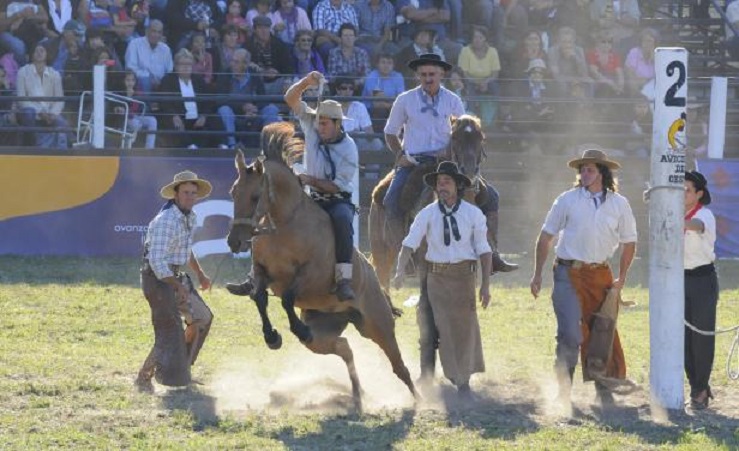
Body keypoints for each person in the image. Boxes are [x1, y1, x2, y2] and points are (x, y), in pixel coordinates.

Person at [530, 147, 637, 409]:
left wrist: (621, 278)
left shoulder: (619, 204)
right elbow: (546, 236)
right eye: (583, 169)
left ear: (602, 172)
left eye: (590, 169)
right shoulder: (566, 199)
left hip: (600, 274)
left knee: (602, 331)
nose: (585, 173)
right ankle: (563, 392)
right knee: (570, 333)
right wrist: (537, 274)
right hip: (567, 271)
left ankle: (603, 388)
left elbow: (630, 242)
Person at [392, 161, 492, 400]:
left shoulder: (473, 213)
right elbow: (410, 242)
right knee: (443, 328)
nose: (442, 186)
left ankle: (464, 380)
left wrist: (486, 285)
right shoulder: (427, 213)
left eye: (447, 181)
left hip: (464, 277)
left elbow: (484, 250)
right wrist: (399, 270)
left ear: (457, 185)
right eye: (439, 183)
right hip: (436, 277)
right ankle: (447, 376)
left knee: (464, 329)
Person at [283, 71, 359, 301]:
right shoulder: (311, 124)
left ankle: (343, 277)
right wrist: (306, 82)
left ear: (337, 124)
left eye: (324, 123)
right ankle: (263, 270)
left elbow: (337, 187)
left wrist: (311, 180)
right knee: (280, 212)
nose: (319, 127)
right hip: (311, 197)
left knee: (343, 221)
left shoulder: (349, 148)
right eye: (318, 122)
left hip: (336, 200)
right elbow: (290, 98)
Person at [136, 170, 214, 392]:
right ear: (176, 195)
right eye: (186, 192)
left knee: (203, 318)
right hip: (157, 279)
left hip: (173, 277)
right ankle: (144, 376)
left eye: (193, 193)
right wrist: (177, 286)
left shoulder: (189, 217)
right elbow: (156, 261)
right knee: (169, 331)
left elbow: (185, 249)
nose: (190, 196)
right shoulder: (166, 221)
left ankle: (182, 371)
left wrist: (199, 273)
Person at [683, 170, 718, 410]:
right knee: (684, 338)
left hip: (703, 280)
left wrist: (673, 217)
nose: (682, 194)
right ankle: (695, 385)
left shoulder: (705, 214)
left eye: (686, 190)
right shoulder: (678, 214)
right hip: (681, 280)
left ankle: (701, 388)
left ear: (699, 194)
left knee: (701, 338)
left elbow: (696, 226)